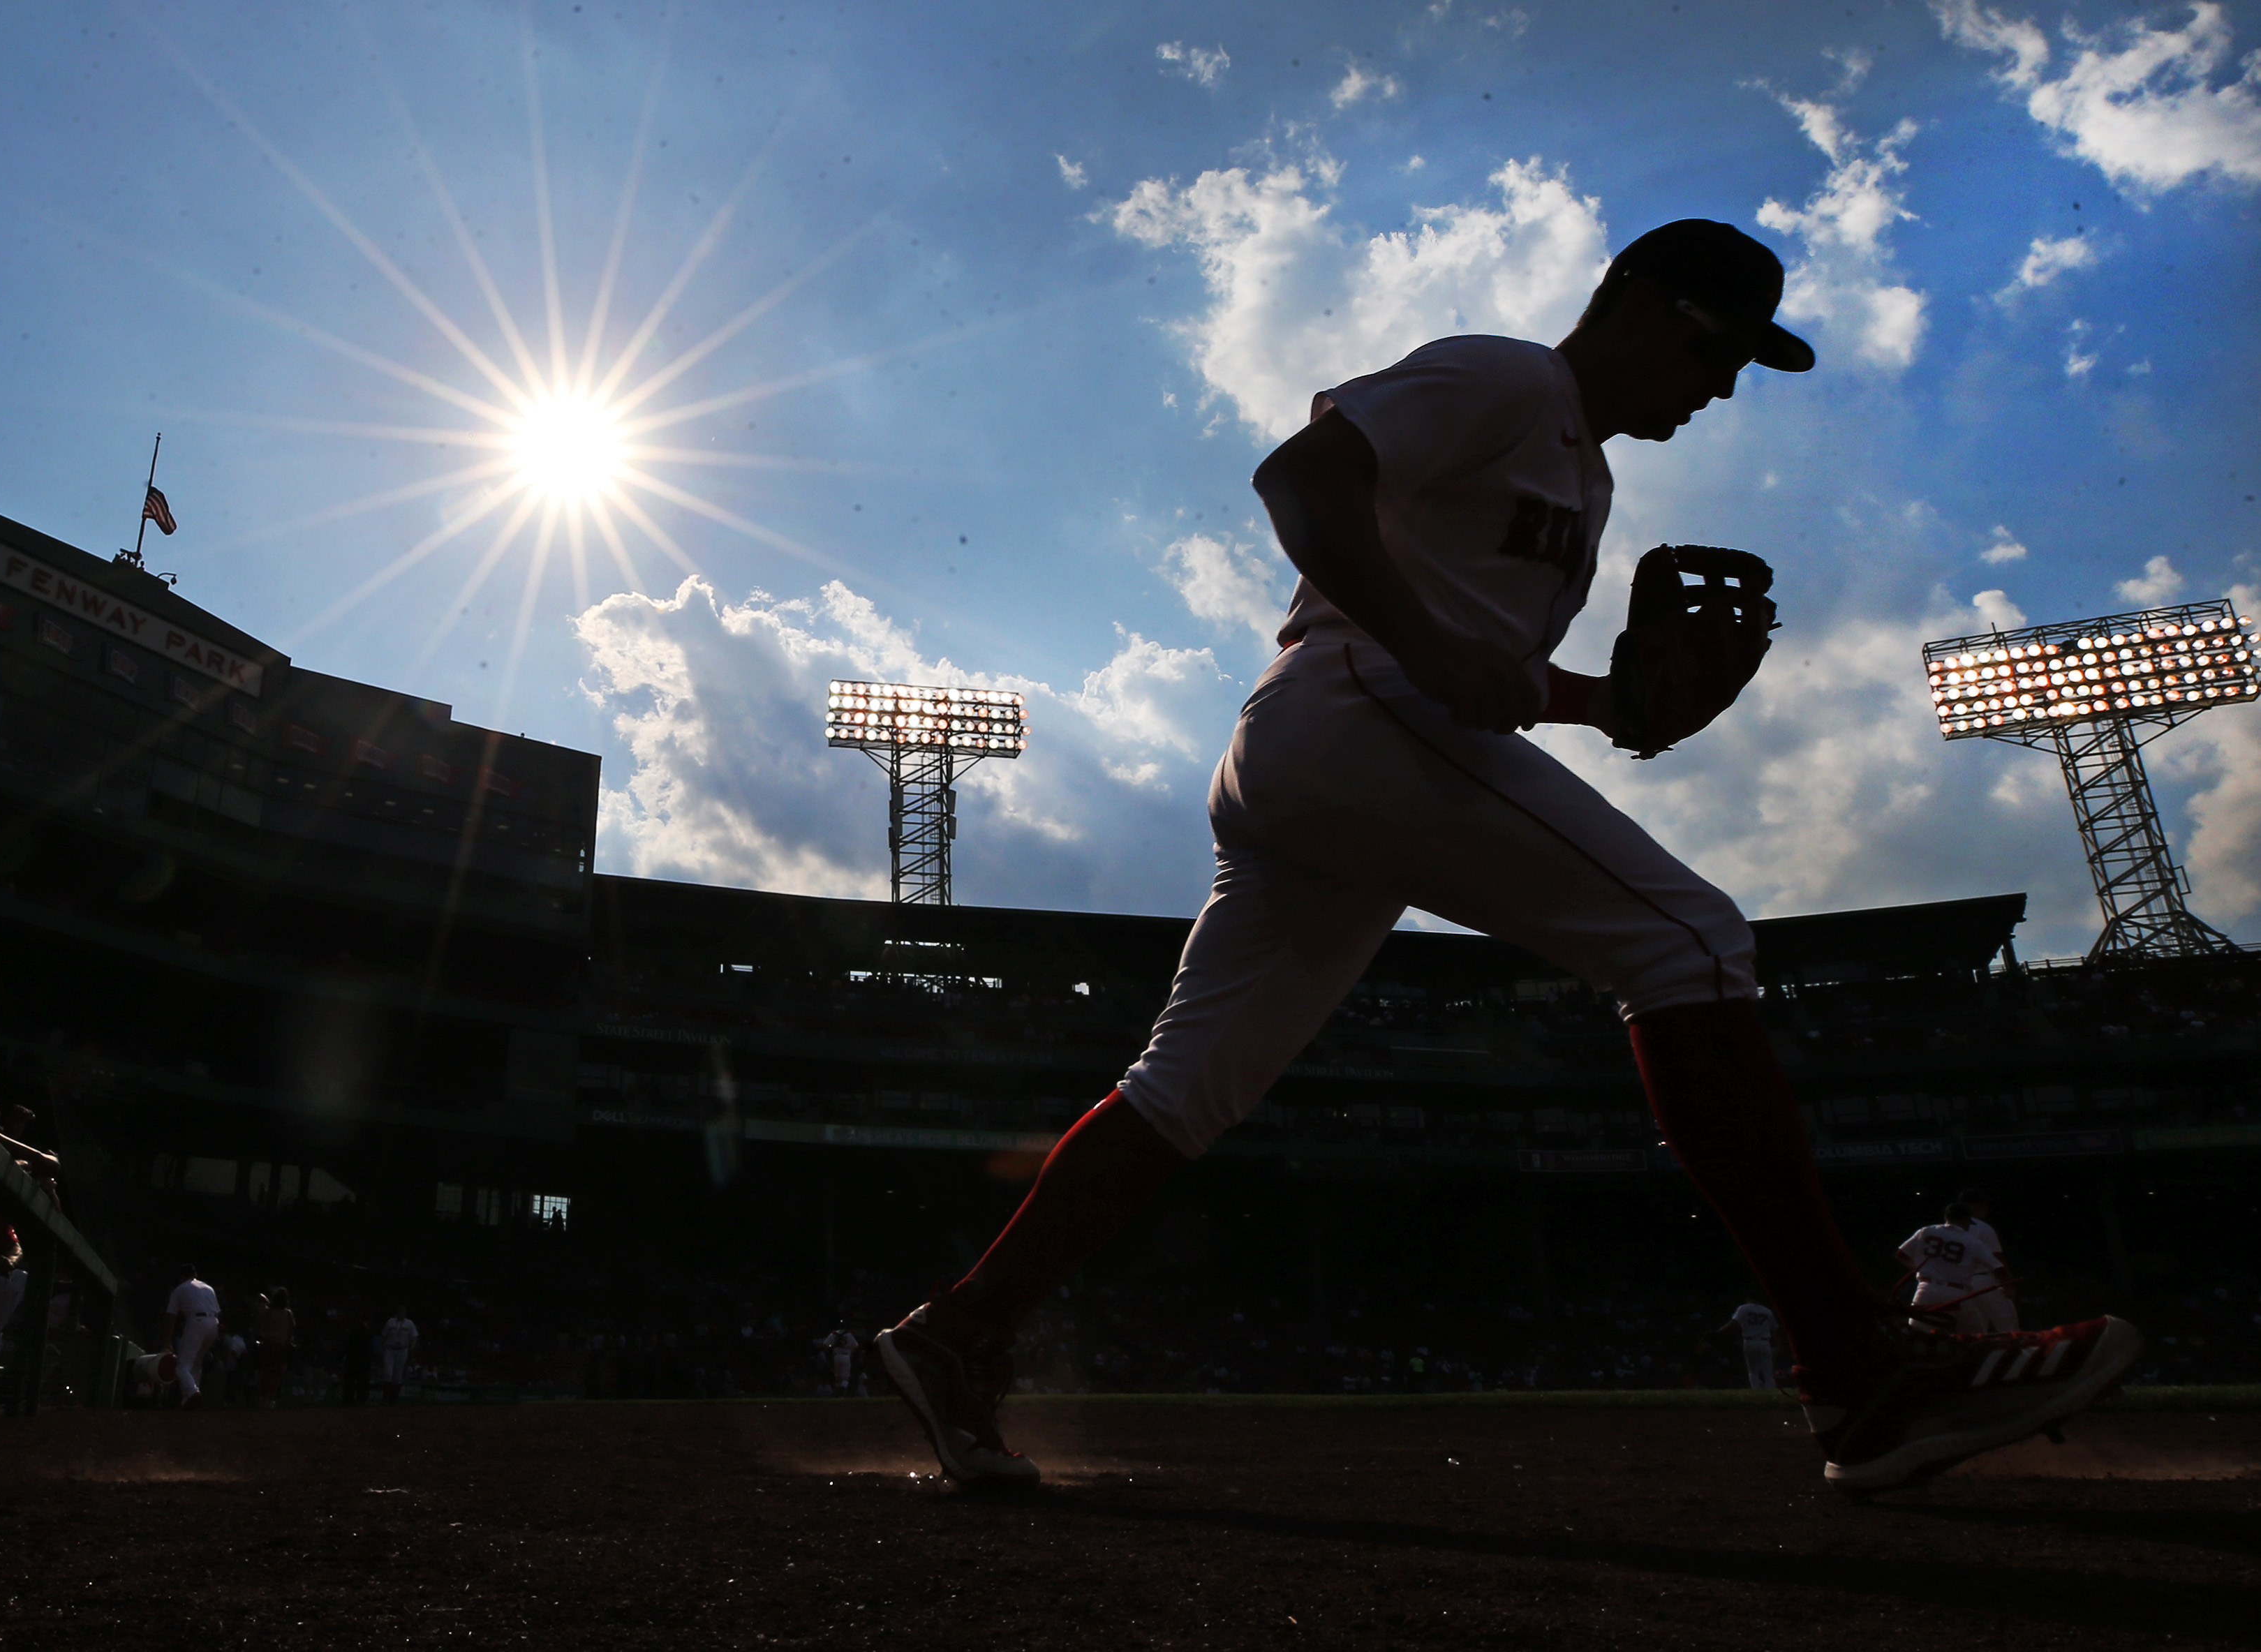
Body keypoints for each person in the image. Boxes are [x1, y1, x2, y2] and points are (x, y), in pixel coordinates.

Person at [870, 218, 2139, 1494]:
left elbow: (1483, 672)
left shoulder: (1585, 479)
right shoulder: (1509, 377)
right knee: (1688, 941)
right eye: (1717, 349)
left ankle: (958, 1331)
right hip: (1350, 705)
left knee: (1187, 1085)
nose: (1722, 386)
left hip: (1338, 752)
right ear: (1638, 303)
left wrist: (1612, 707)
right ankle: (1862, 1375)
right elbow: (1299, 478)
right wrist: (1421, 638)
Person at [1897, 1203, 2010, 1335]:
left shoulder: (1927, 1231)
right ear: (1967, 1220)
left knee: (1915, 1335)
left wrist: (1918, 1269)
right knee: (1975, 1337)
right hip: (1957, 1295)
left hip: (1926, 1290)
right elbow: (1999, 1269)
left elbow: (1901, 1254)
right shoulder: (1972, 1242)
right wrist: (2006, 1287)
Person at [1957, 1186, 2020, 1333]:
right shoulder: (1983, 1228)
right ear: (1971, 1206)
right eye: (1983, 1204)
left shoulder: (1944, 1229)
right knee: (2009, 1329)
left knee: (1976, 1333)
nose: (1986, 1208)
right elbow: (1997, 1258)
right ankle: (2013, 1355)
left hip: (1959, 1284)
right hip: (1985, 1282)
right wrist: (2007, 1283)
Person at [163, 1263, 221, 1409]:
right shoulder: (208, 1288)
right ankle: (188, 1401)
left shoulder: (179, 1289)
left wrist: (166, 1342)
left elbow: (171, 1318)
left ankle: (193, 1393)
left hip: (197, 1321)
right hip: (214, 1323)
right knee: (196, 1364)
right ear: (195, 1275)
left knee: (182, 1367)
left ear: (181, 1277)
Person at [1717, 1300, 1782, 1390]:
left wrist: (1720, 1331)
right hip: (1765, 1342)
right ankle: (1771, 1391)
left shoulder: (1743, 1308)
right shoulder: (1767, 1311)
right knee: (1768, 1372)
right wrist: (1778, 1344)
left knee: (1753, 1371)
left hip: (1749, 1341)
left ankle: (1757, 1390)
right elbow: (1775, 1329)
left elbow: (1734, 1322)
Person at [255, 1288, 295, 1408]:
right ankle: (271, 1398)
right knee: (276, 1375)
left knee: (266, 1373)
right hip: (281, 1347)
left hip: (268, 1345)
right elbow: (291, 1331)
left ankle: (263, 1398)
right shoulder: (288, 1314)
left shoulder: (269, 1312)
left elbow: (260, 1325)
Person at [378, 1307, 419, 1404]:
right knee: (388, 1373)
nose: (402, 1314)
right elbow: (384, 1335)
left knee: (398, 1375)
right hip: (390, 1349)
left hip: (402, 1350)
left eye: (403, 1312)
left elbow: (414, 1337)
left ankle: (393, 1398)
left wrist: (412, 1348)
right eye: (400, 1312)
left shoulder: (410, 1323)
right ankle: (385, 1397)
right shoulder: (390, 1322)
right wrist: (382, 1347)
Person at [818, 1325, 860, 1397]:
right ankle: (842, 1389)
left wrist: (831, 1348)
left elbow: (825, 1344)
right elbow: (856, 1346)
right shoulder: (849, 1335)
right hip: (846, 1356)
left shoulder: (834, 1334)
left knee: (838, 1378)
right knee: (845, 1378)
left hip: (836, 1356)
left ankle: (839, 1394)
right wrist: (851, 1353)